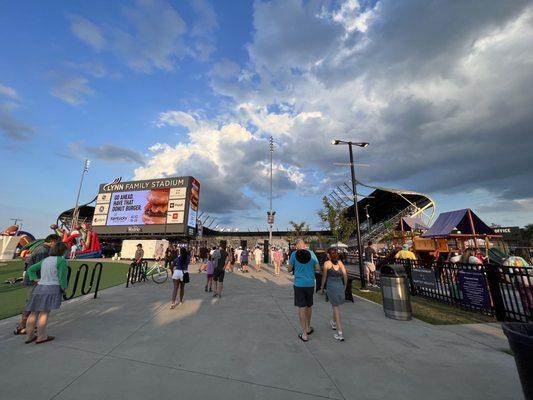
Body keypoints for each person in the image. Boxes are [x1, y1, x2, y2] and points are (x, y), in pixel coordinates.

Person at [14, 234, 60, 335]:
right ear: (52, 241)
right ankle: (22, 326)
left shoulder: (42, 249)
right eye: (57, 243)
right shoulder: (43, 251)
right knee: (31, 304)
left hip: (36, 281)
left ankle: (25, 326)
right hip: (35, 281)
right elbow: (40, 268)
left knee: (32, 304)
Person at [24, 242, 69, 344]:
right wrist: (64, 288)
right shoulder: (62, 261)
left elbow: (30, 269)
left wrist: (35, 279)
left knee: (33, 312)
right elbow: (62, 277)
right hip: (52, 288)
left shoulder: (45, 260)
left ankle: (29, 336)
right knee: (44, 313)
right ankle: (42, 336)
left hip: (39, 287)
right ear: (63, 251)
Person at [288, 239, 319, 342]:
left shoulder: (294, 254)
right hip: (310, 283)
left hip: (299, 284)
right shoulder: (311, 253)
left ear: (297, 246)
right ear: (305, 245)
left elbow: (289, 269)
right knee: (309, 305)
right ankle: (308, 327)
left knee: (302, 307)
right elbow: (318, 267)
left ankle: (304, 334)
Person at [320, 248, 348, 341]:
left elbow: (324, 277)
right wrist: (345, 286)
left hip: (331, 287)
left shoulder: (327, 264)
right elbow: (345, 275)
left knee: (335, 308)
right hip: (340, 285)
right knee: (335, 305)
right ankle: (333, 322)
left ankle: (340, 333)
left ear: (328, 255)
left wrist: (321, 288)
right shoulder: (340, 263)